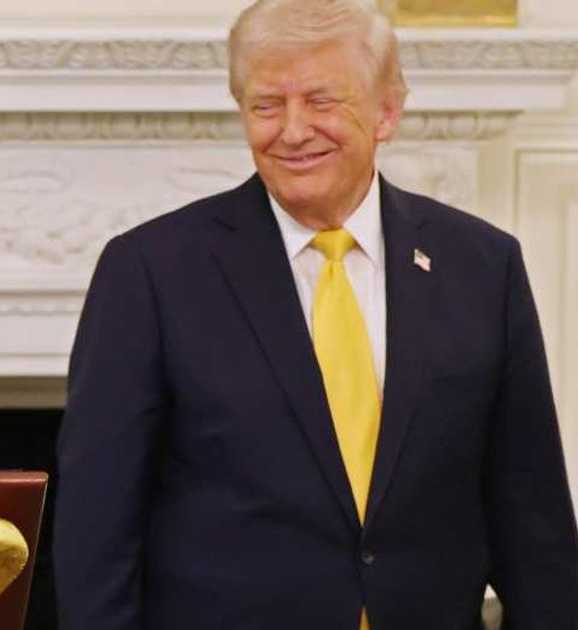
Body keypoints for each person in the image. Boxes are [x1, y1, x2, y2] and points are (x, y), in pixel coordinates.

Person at [53, 1, 578, 628]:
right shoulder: (150, 271)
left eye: (322, 101)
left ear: (387, 111)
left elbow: (534, 523)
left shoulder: (483, 265)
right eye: (266, 105)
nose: (293, 131)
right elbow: (95, 528)